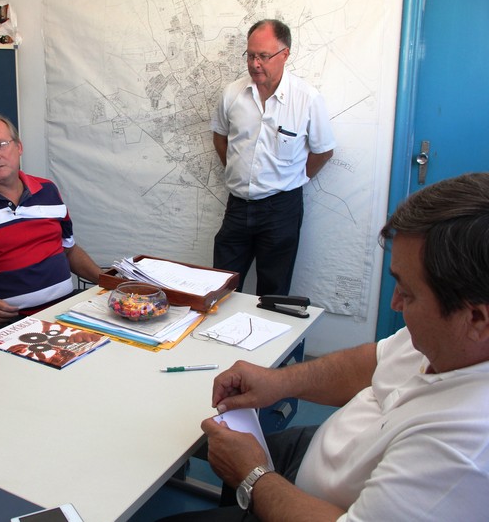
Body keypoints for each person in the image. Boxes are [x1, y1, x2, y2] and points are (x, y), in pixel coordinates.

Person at [167, 173, 489, 521]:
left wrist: (254, 475)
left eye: (408, 293)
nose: (395, 303)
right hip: (324, 450)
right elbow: (374, 363)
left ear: (476, 319)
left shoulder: (464, 450)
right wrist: (279, 383)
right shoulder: (451, 338)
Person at [0, 112, 102, 338]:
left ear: (19, 147)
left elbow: (69, 250)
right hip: (5, 322)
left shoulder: (48, 191)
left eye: (1, 144)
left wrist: (107, 282)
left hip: (64, 309)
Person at [210, 19, 336, 296]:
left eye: (263, 56)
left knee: (274, 293)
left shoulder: (307, 99)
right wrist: (235, 170)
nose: (255, 63)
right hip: (237, 207)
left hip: (281, 210)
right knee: (222, 288)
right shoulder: (232, 94)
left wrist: (295, 179)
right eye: (251, 55)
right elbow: (220, 137)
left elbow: (324, 151)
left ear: (285, 55)